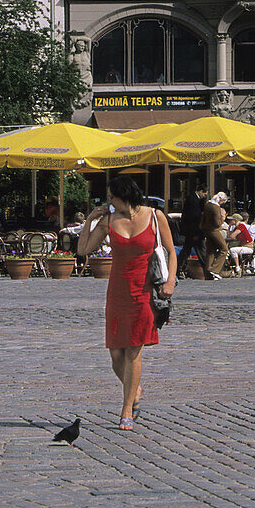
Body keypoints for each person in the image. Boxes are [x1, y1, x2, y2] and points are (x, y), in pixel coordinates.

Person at [77, 176, 176, 431]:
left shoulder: (155, 216)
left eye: (112, 197)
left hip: (145, 290)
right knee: (115, 354)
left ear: (125, 195)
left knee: (134, 350)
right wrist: (90, 220)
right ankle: (136, 390)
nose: (110, 201)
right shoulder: (109, 221)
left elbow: (171, 251)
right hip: (118, 290)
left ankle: (126, 410)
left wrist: (171, 282)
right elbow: (83, 249)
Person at [178, 186, 208, 279]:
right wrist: (196, 232)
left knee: (186, 250)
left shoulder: (194, 199)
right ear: (201, 191)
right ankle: (206, 271)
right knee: (201, 251)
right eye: (204, 194)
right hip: (194, 231)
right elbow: (194, 218)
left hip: (191, 231)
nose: (204, 196)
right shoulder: (193, 200)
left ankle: (178, 269)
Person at [200, 191, 229, 280]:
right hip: (214, 230)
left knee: (210, 250)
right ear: (222, 200)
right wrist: (222, 220)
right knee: (224, 249)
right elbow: (217, 222)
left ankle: (208, 273)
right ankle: (216, 270)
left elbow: (203, 218)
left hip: (207, 230)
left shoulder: (208, 204)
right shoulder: (216, 207)